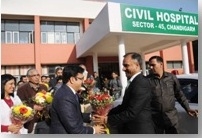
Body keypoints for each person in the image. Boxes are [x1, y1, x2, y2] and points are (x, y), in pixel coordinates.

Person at [93, 52, 155, 134]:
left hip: (140, 130)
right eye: (123, 65)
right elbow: (124, 106)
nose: (123, 69)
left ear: (137, 65)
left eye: (126, 65)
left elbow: (131, 112)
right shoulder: (134, 82)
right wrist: (107, 113)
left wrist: (106, 119)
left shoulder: (141, 83)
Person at [147, 56, 198, 134]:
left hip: (171, 117)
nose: (150, 67)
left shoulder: (171, 77)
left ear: (161, 64)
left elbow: (179, 94)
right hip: (155, 119)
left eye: (153, 65)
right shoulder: (147, 80)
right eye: (149, 65)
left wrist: (187, 108)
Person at [49, 65, 106, 134]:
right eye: (81, 78)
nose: (83, 81)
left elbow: (74, 115)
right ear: (72, 79)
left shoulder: (70, 92)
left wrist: (92, 116)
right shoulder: (65, 97)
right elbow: (75, 129)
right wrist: (94, 130)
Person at [17, 68, 48, 134]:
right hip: (31, 121)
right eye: (34, 75)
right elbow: (20, 104)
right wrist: (33, 106)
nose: (37, 77)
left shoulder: (43, 87)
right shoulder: (22, 88)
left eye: (38, 75)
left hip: (44, 119)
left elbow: (48, 99)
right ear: (28, 77)